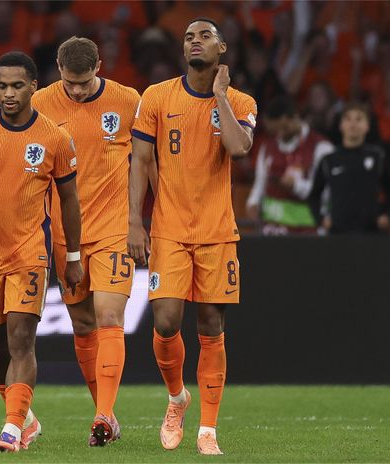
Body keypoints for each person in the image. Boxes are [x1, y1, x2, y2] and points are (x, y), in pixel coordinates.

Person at [128, 18, 257, 455]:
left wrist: (220, 95)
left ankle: (208, 430)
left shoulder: (239, 100)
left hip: (218, 231)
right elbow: (141, 161)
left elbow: (239, 148)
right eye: (188, 37)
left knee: (210, 324)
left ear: (221, 47)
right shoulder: (157, 97)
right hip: (168, 229)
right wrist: (134, 222)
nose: (194, 41)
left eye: (204, 36)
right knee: (165, 322)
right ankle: (176, 397)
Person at [0, 51, 83, 453]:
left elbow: (69, 201)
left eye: (16, 86)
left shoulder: (54, 137)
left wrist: (74, 257)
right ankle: (25, 416)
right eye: (1, 86)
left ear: (33, 87)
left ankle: (11, 429)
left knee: (20, 339)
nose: (8, 94)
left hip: (30, 252)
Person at [31, 36, 147, 447]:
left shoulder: (128, 100)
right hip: (65, 234)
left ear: (100, 65)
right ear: (57, 70)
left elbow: (147, 163)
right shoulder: (41, 103)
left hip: (115, 227)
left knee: (109, 318)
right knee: (82, 324)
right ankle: (108, 415)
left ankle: (101, 414)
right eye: (69, 82)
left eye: (83, 82)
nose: (77, 90)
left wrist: (137, 221)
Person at [246, 96, 333, 235]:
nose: (279, 134)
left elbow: (327, 192)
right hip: (273, 228)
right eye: (274, 131)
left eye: (283, 128)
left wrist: (296, 186)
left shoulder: (321, 147)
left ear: (293, 118)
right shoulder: (268, 147)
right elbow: (260, 182)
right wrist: (253, 202)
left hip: (307, 228)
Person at [308, 102, 390, 234]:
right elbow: (314, 195)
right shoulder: (329, 160)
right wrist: (321, 219)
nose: (353, 124)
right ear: (341, 125)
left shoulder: (377, 157)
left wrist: (388, 215)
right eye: (348, 119)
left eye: (359, 119)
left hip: (371, 234)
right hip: (338, 234)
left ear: (367, 125)